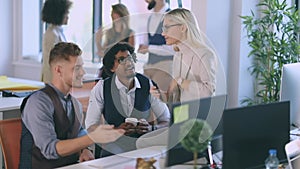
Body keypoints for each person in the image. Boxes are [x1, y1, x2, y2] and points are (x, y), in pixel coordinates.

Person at [19, 42, 125, 169]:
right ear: (58, 70)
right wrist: (92, 138)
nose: (83, 72)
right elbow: (50, 150)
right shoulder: (38, 102)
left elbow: (79, 133)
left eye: (82, 67)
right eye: (77, 68)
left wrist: (85, 149)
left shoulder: (75, 103)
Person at [85, 42, 170, 156]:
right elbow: (91, 127)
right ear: (112, 68)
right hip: (116, 144)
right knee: (111, 155)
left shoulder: (147, 84)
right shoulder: (101, 88)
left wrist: (152, 128)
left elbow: (167, 120)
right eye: (121, 60)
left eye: (130, 58)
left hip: (145, 142)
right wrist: (116, 131)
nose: (129, 63)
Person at [162, 8, 217, 102]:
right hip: (182, 113)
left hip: (200, 113)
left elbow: (208, 91)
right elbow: (179, 95)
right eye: (163, 29)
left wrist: (181, 81)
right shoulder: (178, 54)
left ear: (183, 28)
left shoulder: (204, 54)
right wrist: (162, 95)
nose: (163, 33)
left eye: (167, 28)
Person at [137, 0, 174, 92]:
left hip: (165, 66)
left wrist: (149, 48)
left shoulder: (171, 17)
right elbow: (148, 42)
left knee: (160, 99)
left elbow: (172, 49)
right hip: (149, 66)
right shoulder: (150, 18)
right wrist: (143, 47)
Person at [41, 0, 72, 83]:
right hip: (53, 80)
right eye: (66, 14)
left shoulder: (58, 32)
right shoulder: (52, 34)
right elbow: (52, 61)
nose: (68, 17)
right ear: (58, 14)